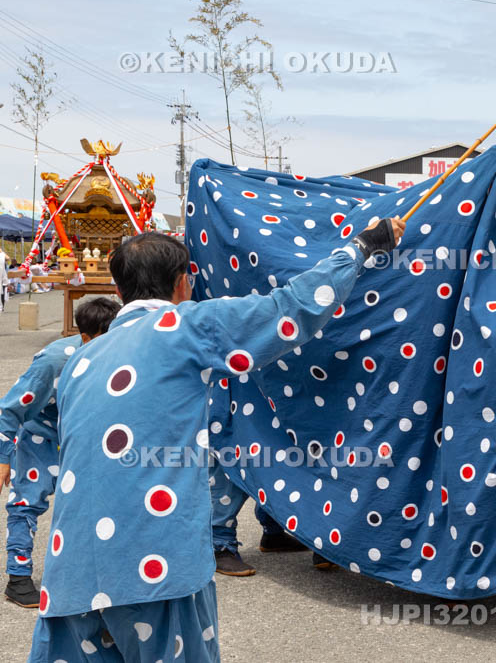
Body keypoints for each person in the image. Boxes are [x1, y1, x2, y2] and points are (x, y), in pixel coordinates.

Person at [28, 220, 404, 662]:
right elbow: (291, 308)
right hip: (154, 567)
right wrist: (361, 248)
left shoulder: (79, 359)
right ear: (183, 282)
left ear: (118, 287)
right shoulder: (184, 327)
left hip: (70, 573)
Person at [1, 297, 121, 608]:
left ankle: (83, 574)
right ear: (85, 337)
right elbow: (10, 409)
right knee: (26, 503)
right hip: (39, 437)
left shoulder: (120, 352)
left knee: (95, 505)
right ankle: (17, 578)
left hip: (83, 439)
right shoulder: (53, 361)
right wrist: (2, 457)